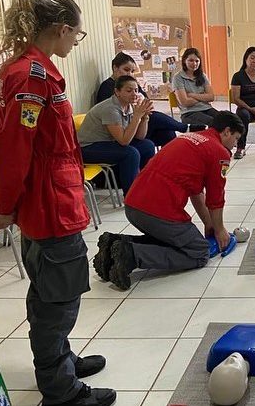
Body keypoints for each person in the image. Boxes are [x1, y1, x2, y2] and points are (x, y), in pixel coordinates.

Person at [0, 0, 115, 406]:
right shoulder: (31, 77)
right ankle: (61, 392)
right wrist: (5, 205)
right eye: (76, 36)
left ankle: (59, 360)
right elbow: (12, 149)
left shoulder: (38, 71)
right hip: (48, 207)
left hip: (56, 199)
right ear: (62, 29)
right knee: (58, 299)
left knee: (51, 292)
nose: (73, 44)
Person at [92, 111, 244, 291]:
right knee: (199, 252)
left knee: (178, 240)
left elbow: (197, 193)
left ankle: (114, 246)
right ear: (226, 131)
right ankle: (132, 255)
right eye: (235, 139)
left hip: (133, 205)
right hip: (158, 212)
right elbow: (215, 198)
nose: (235, 146)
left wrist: (209, 225)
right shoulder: (220, 153)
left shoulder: (189, 138)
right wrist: (220, 231)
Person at [96, 53, 200, 147]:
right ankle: (185, 127)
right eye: (126, 70)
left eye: (132, 71)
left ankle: (167, 164)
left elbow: (146, 102)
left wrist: (142, 109)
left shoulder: (132, 83)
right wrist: (140, 110)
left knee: (168, 134)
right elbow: (116, 113)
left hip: (138, 124)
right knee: (153, 116)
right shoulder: (107, 87)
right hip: (121, 131)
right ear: (115, 68)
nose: (130, 74)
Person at [78, 75, 156, 196]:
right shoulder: (110, 108)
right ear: (117, 92)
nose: (134, 94)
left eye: (136, 90)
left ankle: (143, 185)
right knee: (130, 153)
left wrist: (144, 118)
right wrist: (136, 117)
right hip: (87, 148)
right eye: (129, 91)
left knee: (147, 145)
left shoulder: (129, 105)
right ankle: (131, 196)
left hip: (108, 142)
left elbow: (140, 137)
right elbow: (124, 141)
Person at [171, 48, 218, 126]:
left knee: (227, 119)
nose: (194, 63)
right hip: (189, 113)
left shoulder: (202, 75)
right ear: (184, 61)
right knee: (213, 123)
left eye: (197, 61)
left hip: (206, 108)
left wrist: (192, 95)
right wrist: (202, 96)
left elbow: (211, 97)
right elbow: (185, 102)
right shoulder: (178, 77)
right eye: (191, 60)